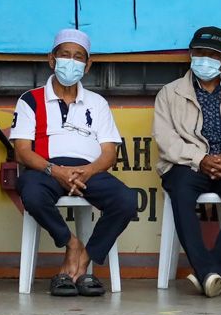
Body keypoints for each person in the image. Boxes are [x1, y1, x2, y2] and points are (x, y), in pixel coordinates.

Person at [10, 29, 134, 297]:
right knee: (30, 191)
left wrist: (86, 172)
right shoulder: (30, 99)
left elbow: (109, 154)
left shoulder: (97, 103)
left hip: (88, 171)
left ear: (88, 65)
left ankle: (85, 258)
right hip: (46, 168)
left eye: (78, 57)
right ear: (51, 59)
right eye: (65, 55)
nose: (71, 61)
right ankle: (71, 243)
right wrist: (55, 171)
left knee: (125, 200)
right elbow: (22, 151)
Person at [152, 26, 221, 298]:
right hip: (186, 164)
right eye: (199, 53)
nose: (204, 59)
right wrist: (200, 159)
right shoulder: (170, 93)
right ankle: (209, 271)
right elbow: (166, 140)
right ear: (190, 54)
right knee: (180, 192)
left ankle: (213, 274)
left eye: (212, 55)